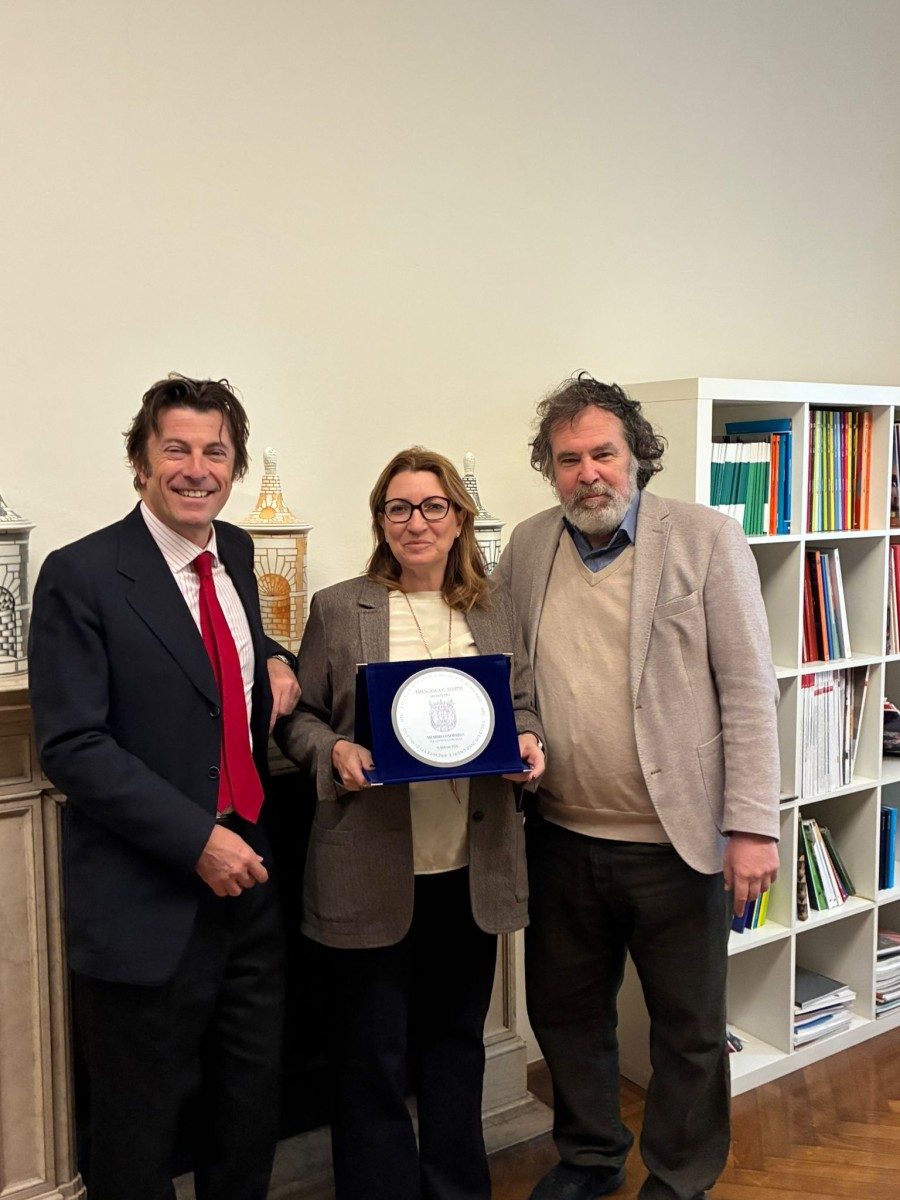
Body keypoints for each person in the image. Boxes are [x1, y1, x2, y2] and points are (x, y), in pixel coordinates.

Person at [495, 375, 780, 1200]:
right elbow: (513, 675)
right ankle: (590, 1158)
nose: (588, 473)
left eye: (604, 454)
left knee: (688, 1030)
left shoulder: (706, 538)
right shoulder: (527, 546)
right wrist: (522, 732)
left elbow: (749, 690)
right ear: (550, 469)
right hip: (559, 836)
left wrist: (753, 825)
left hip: (676, 843)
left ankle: (681, 1177)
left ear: (637, 457)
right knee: (566, 1016)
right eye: (568, 459)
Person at [28, 374, 301, 1200]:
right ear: (141, 463)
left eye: (215, 451)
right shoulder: (81, 575)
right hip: (147, 893)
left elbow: (219, 655)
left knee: (247, 1108)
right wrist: (196, 840)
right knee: (137, 1130)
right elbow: (72, 745)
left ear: (234, 465)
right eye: (175, 449)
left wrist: (275, 659)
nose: (196, 468)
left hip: (249, 878)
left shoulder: (237, 553)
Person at [274, 446, 545, 1200]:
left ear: (458, 519)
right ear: (381, 521)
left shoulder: (495, 607)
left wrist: (528, 742)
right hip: (369, 867)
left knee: (456, 1045)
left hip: (470, 866)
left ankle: (456, 1189)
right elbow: (297, 719)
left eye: (432, 507)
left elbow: (522, 705)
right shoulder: (339, 608)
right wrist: (334, 751)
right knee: (370, 1056)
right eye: (398, 508)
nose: (415, 522)